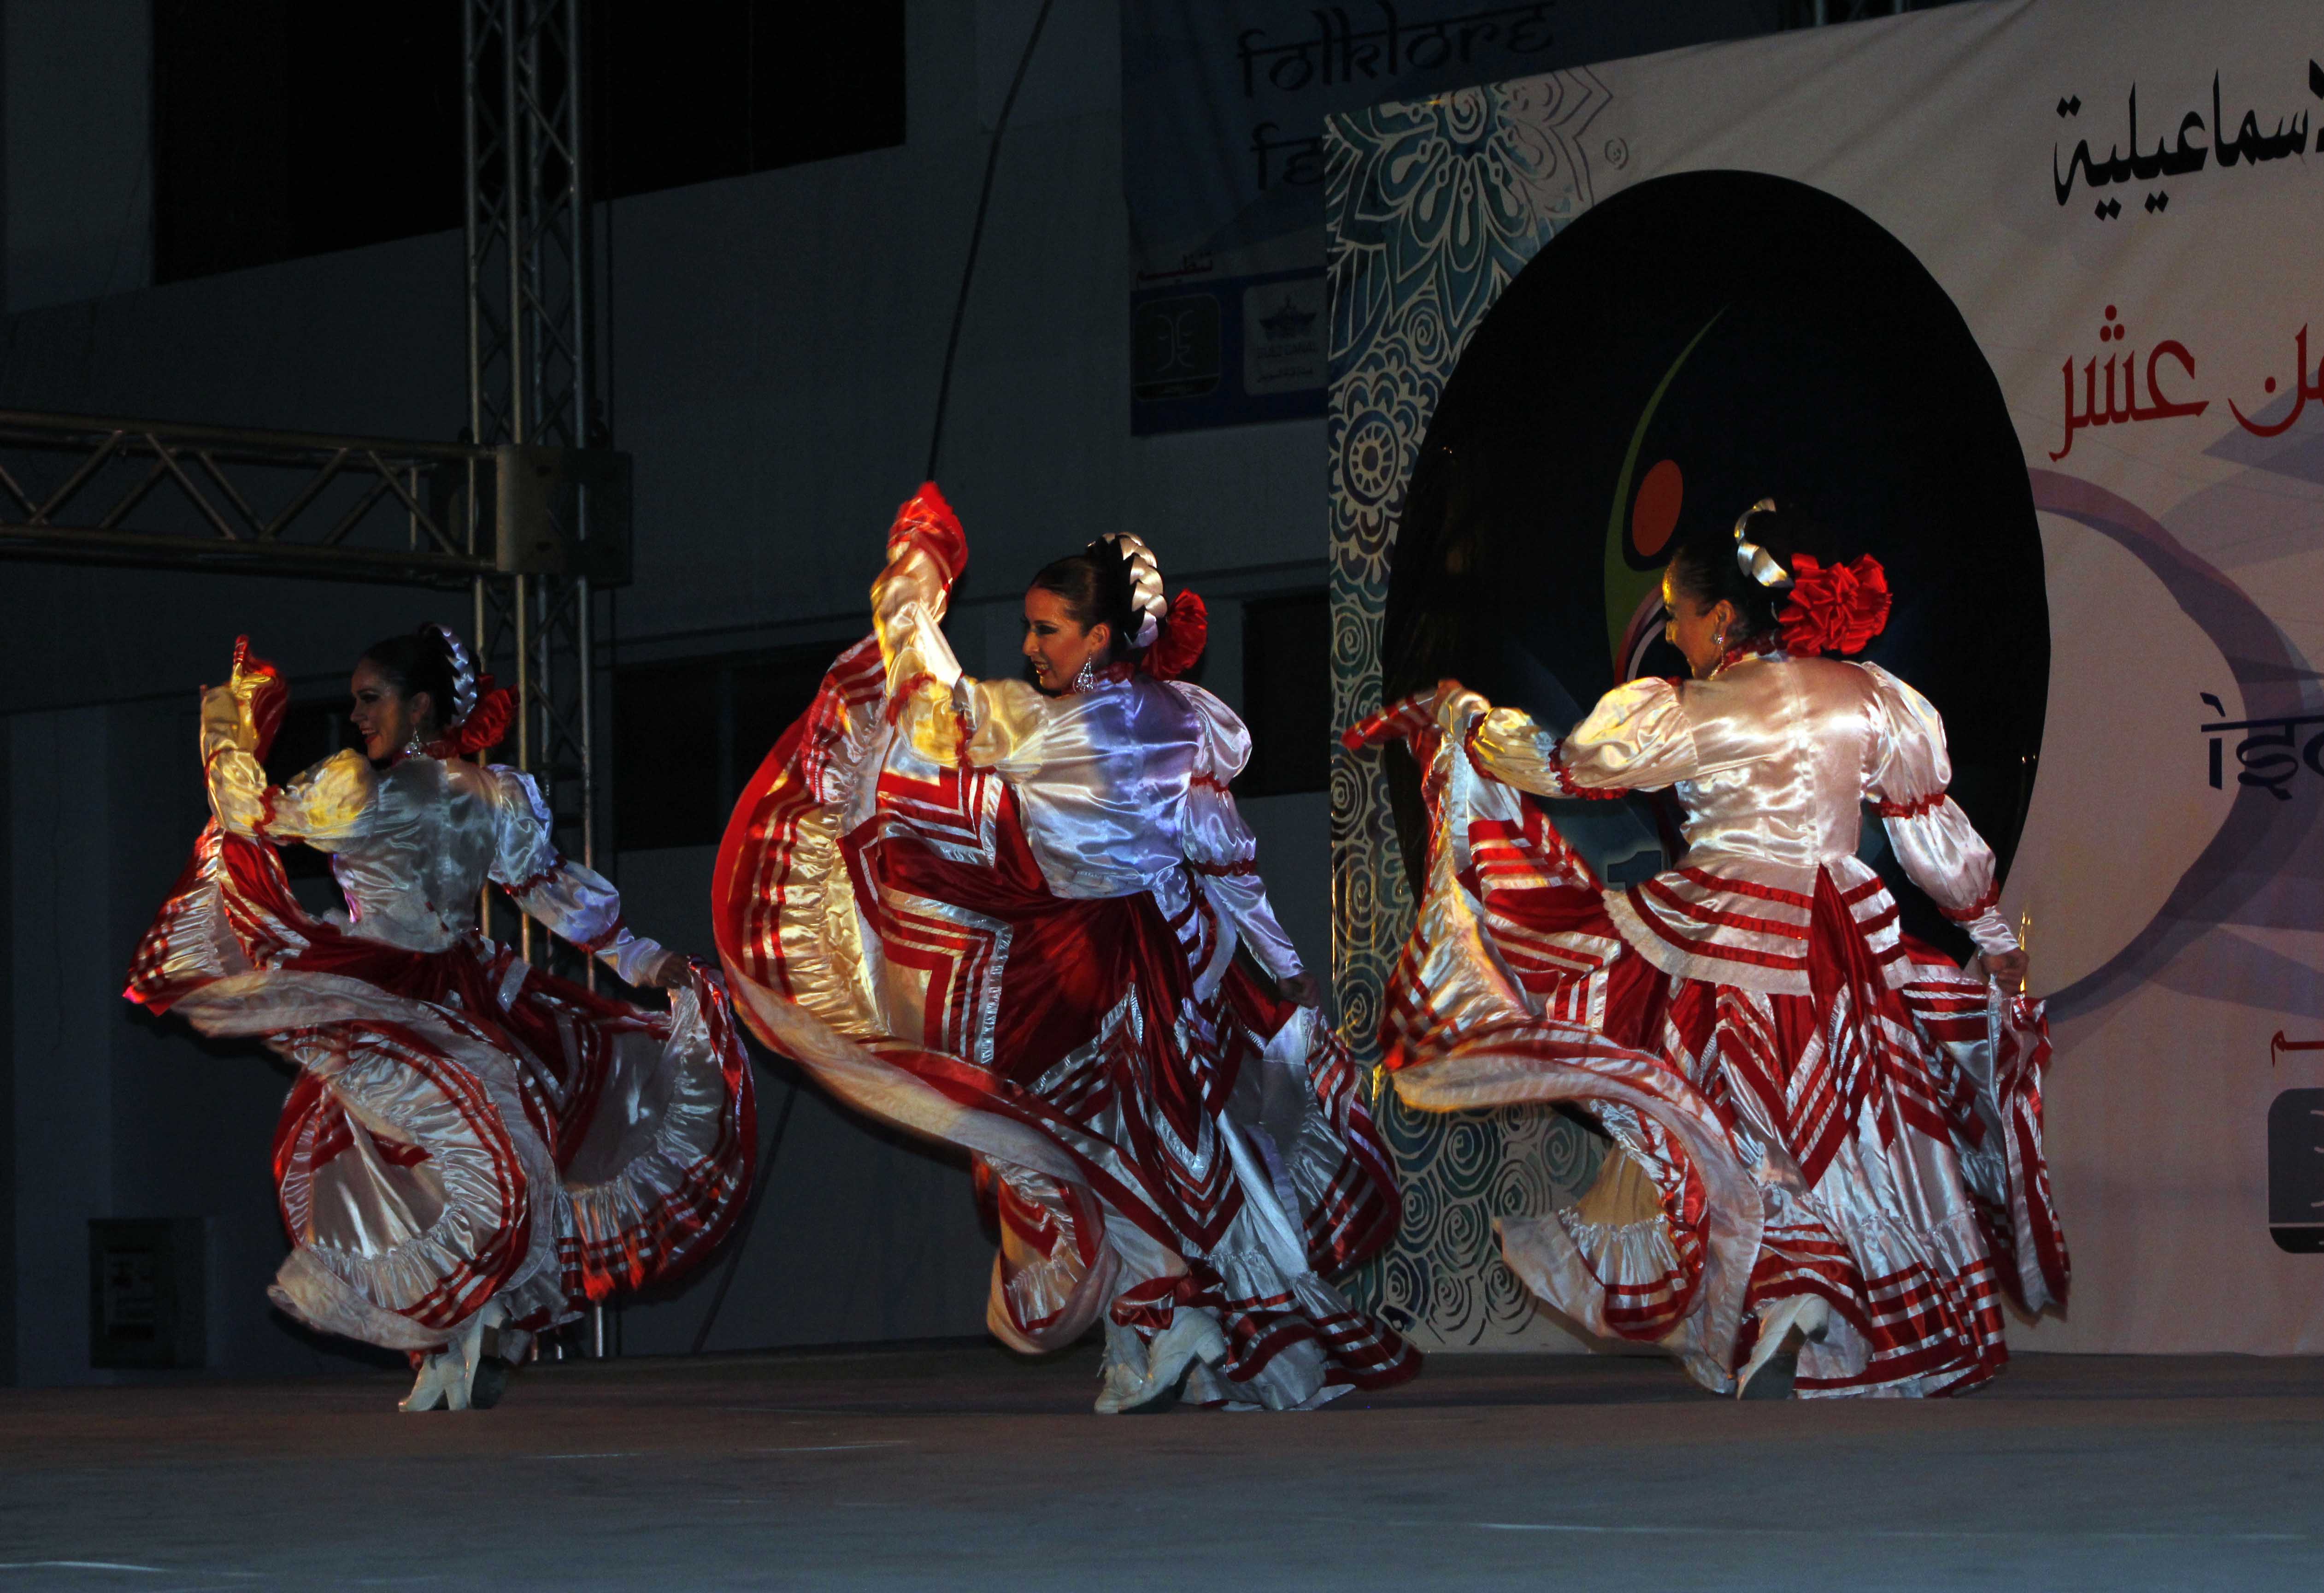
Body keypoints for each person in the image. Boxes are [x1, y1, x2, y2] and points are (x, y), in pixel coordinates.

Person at [714, 484, 1418, 1412]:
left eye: (1048, 632)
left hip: (1082, 974)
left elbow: (933, 712)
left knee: (1091, 1142)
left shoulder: (1062, 730)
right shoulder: (1169, 715)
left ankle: (1174, 1322)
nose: (1030, 647)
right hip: (1146, 964)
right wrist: (1282, 977)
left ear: (1098, 641)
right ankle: (1173, 1335)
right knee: (1151, 1153)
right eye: (1030, 629)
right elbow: (1230, 860)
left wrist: (920, 562)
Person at [1348, 500, 2066, 1398]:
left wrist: (1476, 728)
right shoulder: (1869, 699)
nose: (1674, 630)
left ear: (1722, 617)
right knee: (1852, 1134)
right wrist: (1993, 940)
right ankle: (1812, 1289)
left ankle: (1797, 1283)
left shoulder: (1693, 707)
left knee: (1724, 1118)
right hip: (1838, 935)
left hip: (1722, 929)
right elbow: (1933, 836)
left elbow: (1569, 766)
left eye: (1678, 611)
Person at [128, 626, 755, 1410]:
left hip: (392, 986)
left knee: (397, 1160)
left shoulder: (363, 794)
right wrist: (642, 957)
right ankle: (471, 1324)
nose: (357, 716)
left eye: (370, 698)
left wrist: (227, 725)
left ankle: (464, 1326)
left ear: (419, 705)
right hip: (472, 990)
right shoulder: (494, 796)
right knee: (442, 1158)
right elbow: (553, 894)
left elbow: (248, 813)